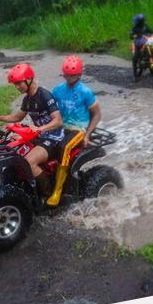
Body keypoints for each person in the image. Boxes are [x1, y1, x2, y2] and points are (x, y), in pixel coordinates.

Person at [0, 63, 63, 194]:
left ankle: (48, 193)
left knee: (28, 162)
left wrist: (41, 129)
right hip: (37, 136)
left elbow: (58, 120)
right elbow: (17, 117)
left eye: (18, 83)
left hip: (53, 137)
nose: (16, 87)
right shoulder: (27, 99)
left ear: (28, 79)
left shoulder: (45, 95)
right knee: (12, 150)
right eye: (14, 84)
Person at [46, 55, 102, 206]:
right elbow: (50, 108)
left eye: (73, 75)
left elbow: (97, 114)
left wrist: (87, 135)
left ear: (79, 74)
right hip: (59, 127)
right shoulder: (57, 90)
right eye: (67, 74)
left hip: (78, 129)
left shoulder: (85, 92)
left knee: (64, 148)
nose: (69, 77)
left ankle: (57, 191)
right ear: (63, 74)